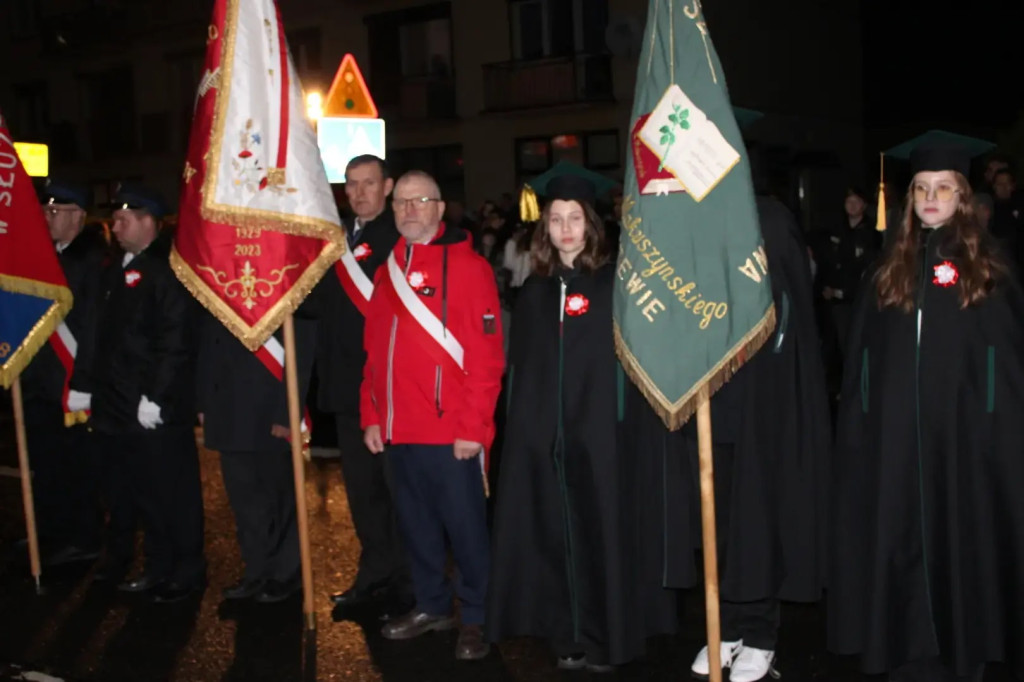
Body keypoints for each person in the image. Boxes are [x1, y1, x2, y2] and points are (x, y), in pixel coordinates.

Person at [623, 162, 831, 682]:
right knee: (717, 522)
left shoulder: (767, 218)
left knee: (757, 520)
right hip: (708, 403)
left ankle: (760, 633)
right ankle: (727, 629)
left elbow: (790, 307)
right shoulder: (687, 220)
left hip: (761, 400)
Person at [829, 144, 1024, 681]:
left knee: (962, 538)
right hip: (895, 443)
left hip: (961, 443)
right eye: (921, 188)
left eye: (943, 188)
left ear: (962, 197)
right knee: (898, 539)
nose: (931, 198)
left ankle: (966, 648)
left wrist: (990, 430)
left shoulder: (989, 268)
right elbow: (864, 358)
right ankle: (904, 646)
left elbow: (1003, 363)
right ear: (909, 198)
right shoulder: (887, 269)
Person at [486, 173, 675, 672]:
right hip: (547, 445)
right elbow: (524, 374)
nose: (565, 229)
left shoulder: (618, 285)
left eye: (574, 219)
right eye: (555, 220)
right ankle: (566, 632)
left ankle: (608, 635)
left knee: (602, 535)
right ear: (544, 229)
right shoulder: (534, 295)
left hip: (603, 441)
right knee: (553, 534)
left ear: (590, 226)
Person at [360, 170, 505, 661]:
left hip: (451, 434)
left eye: (420, 201)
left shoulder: (470, 269)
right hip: (400, 431)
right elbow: (373, 352)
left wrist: (473, 429)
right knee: (417, 528)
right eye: (401, 202)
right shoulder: (387, 270)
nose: (409, 209)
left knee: (466, 533)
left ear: (440, 209)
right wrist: (372, 414)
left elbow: (487, 361)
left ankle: (480, 617)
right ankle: (432, 605)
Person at [89, 183, 206, 603]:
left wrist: (155, 397)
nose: (115, 226)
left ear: (147, 220)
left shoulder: (170, 267)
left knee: (173, 491)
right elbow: (102, 337)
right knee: (143, 494)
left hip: (156, 407)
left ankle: (186, 570)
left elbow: (175, 338)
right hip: (119, 404)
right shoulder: (115, 266)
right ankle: (158, 565)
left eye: (123, 219)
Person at [316, 155, 410, 612]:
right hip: (347, 389)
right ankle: (374, 576)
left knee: (397, 493)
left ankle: (407, 585)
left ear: (387, 186)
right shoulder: (337, 241)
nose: (359, 193)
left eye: (369, 183)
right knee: (362, 494)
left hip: (388, 390)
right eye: (351, 184)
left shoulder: (398, 238)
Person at [197, 309, 316, 603]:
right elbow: (207, 343)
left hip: (269, 406)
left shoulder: (280, 278)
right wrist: (203, 399)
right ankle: (257, 571)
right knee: (245, 502)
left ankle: (285, 575)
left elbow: (301, 343)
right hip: (227, 407)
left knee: (279, 500)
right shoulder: (220, 280)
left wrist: (287, 411)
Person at [20, 178, 107, 566]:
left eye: (56, 212)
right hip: (40, 381)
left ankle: (84, 536)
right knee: (47, 465)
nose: (47, 217)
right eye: (46, 210)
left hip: (71, 384)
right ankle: (50, 531)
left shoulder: (93, 262)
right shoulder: (45, 256)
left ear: (79, 217)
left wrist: (83, 383)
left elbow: (91, 329)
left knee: (78, 467)